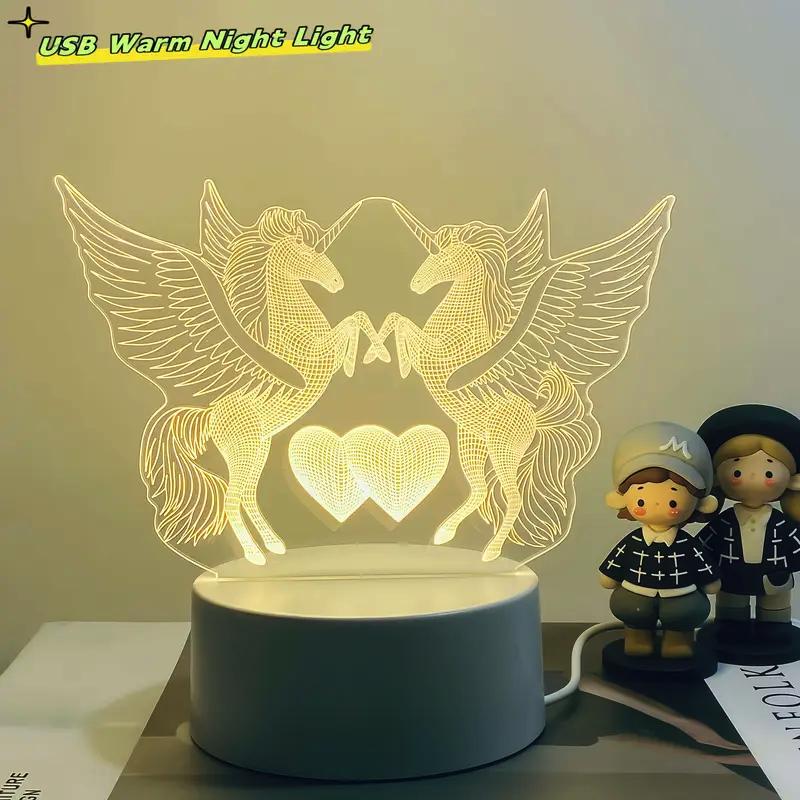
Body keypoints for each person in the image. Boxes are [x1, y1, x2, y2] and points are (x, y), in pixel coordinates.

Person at [600, 422, 721, 658]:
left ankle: (678, 642)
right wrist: (609, 575)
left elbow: (702, 564)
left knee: (684, 614)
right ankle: (637, 639)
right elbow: (616, 562)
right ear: (621, 498)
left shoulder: (687, 544)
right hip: (636, 593)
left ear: (701, 503)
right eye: (641, 500)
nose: (657, 504)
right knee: (633, 611)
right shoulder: (634, 541)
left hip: (680, 594)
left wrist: (709, 580)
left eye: (673, 501)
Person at [696, 405, 800, 642]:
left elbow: (796, 546)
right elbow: (701, 548)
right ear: (717, 477)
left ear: (792, 480)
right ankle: (730, 630)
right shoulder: (723, 522)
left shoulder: (782, 525)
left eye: (769, 473)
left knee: (775, 611)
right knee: (731, 612)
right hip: (732, 575)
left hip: (775, 576)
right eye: (737, 472)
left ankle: (775, 632)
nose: (753, 477)